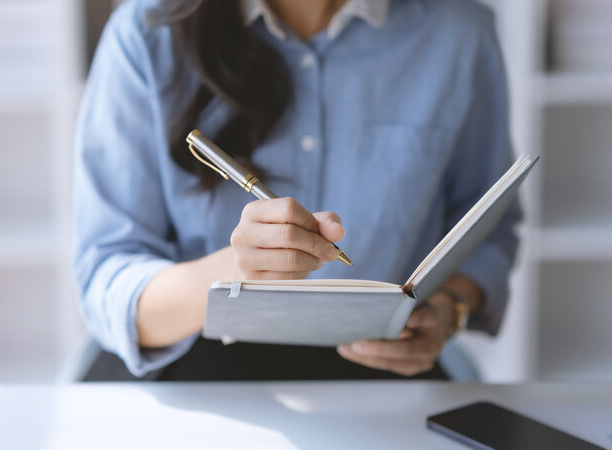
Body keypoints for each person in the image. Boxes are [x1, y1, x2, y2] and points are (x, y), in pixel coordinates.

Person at [74, 0, 521, 381]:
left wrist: (449, 308)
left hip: (387, 371)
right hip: (196, 366)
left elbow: (490, 231)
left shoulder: (459, 33)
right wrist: (236, 270)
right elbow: (107, 276)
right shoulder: (148, 33)